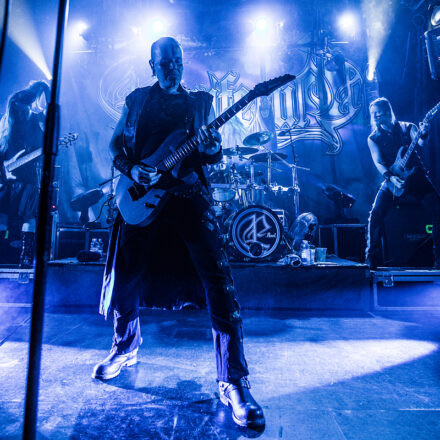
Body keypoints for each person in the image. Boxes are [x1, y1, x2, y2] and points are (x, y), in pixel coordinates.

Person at [92, 37, 265, 428]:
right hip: (140, 196)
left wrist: (213, 146)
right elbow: (115, 142)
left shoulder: (200, 103)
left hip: (187, 194)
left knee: (219, 281)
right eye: (165, 62)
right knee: (126, 276)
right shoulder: (137, 99)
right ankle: (124, 348)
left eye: (177, 61)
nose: (172, 67)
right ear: (152, 65)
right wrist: (131, 169)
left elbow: (210, 154)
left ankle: (233, 380)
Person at [365, 97, 440, 269]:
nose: (374, 117)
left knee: (438, 212)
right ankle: (370, 260)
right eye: (372, 114)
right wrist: (391, 177)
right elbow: (378, 162)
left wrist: (424, 132)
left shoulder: (408, 127)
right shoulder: (373, 138)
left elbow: (421, 142)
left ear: (387, 112)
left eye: (378, 113)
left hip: (416, 177)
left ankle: (439, 261)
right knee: (376, 214)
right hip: (393, 178)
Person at [0, 80, 49, 267]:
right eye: (17, 111)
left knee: (28, 216)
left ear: (30, 106)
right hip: (5, 176)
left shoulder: (38, 119)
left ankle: (26, 255)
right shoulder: (7, 121)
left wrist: (44, 88)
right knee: (2, 216)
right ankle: (3, 250)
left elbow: (51, 114)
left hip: (28, 177)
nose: (21, 115)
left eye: (24, 110)